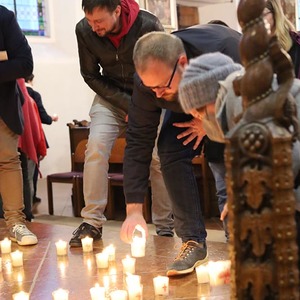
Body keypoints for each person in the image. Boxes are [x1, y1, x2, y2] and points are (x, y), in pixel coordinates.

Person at [120, 25, 241, 277]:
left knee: (222, 161)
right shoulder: (151, 82)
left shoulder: (227, 51)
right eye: (151, 89)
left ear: (182, 63)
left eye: (162, 87)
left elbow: (255, 115)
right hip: (191, 98)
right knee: (169, 148)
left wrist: (209, 122)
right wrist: (133, 211)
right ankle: (193, 241)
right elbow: (138, 140)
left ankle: (243, 238)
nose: (158, 95)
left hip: (231, 106)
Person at [178, 51, 300, 273]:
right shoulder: (241, 104)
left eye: (200, 112)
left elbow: (286, 161)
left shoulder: (240, 102)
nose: (200, 119)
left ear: (212, 97)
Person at [69, 0, 174, 247]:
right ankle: (92, 222)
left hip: (149, 96)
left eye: (99, 21)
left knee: (159, 158)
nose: (94, 27)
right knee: (95, 148)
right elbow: (90, 74)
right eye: (90, 21)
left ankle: (165, 226)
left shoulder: (147, 24)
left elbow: (160, 69)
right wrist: (128, 105)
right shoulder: (84, 29)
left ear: (117, 10)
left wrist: (140, 105)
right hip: (111, 97)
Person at [0, 5, 38, 245]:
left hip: (1, 105)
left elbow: (24, 63)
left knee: (7, 160)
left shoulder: (4, 16)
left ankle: (16, 222)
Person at [25, 73, 58, 209]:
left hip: (14, 137)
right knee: (32, 170)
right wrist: (53, 118)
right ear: (31, 79)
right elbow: (43, 117)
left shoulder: (12, 91)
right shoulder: (33, 94)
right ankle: (30, 199)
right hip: (32, 136)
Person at [263, 0, 300, 79]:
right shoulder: (257, 43)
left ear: (275, 13)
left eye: (263, 14)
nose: (260, 20)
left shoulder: (294, 42)